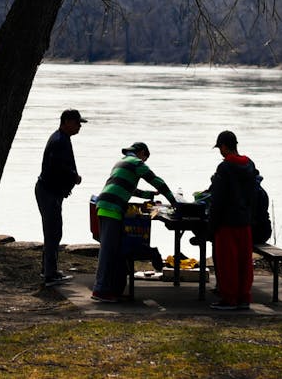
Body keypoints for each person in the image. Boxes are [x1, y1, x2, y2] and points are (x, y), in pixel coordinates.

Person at [92, 141, 178, 302]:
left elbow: (129, 187)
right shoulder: (137, 163)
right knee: (108, 252)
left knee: (111, 250)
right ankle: (100, 291)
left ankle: (106, 288)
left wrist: (150, 195)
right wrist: (174, 202)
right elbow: (157, 180)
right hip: (112, 207)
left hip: (104, 205)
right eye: (145, 158)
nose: (144, 162)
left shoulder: (122, 162)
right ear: (142, 153)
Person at [207, 129, 257, 311]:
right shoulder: (250, 165)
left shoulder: (225, 167)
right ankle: (244, 297)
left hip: (226, 223)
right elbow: (254, 194)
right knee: (244, 262)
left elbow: (217, 199)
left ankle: (229, 299)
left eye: (220, 147)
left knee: (228, 262)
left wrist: (212, 225)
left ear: (224, 146)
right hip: (244, 222)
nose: (220, 151)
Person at [35, 108, 86, 286]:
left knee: (53, 232)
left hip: (51, 192)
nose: (80, 126)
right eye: (77, 122)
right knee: (53, 232)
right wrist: (74, 177)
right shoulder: (59, 141)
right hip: (48, 192)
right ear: (67, 122)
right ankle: (50, 275)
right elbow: (57, 166)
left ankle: (48, 270)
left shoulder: (62, 138)